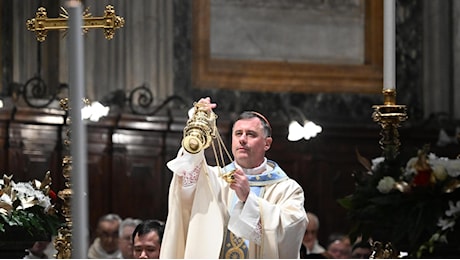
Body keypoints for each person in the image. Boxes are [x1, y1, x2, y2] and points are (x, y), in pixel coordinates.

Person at [160, 97, 308, 258]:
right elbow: (186, 182)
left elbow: (290, 231)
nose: (243, 139)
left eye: (251, 134)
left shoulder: (287, 189)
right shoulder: (215, 179)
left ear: (267, 143)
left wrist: (248, 200)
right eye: (238, 134)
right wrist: (198, 125)